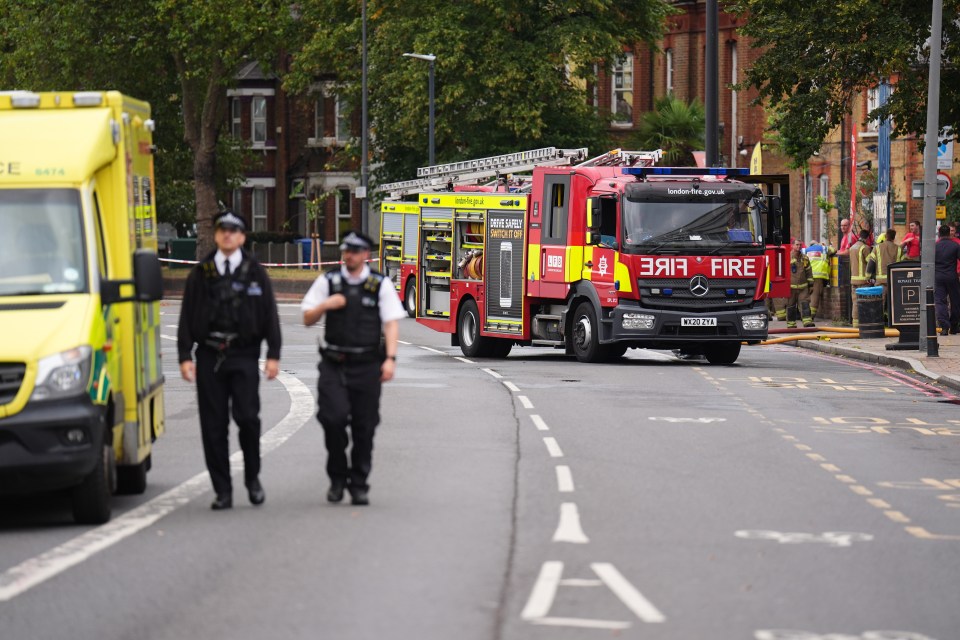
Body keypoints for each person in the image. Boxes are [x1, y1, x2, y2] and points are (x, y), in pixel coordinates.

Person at [178, 211, 282, 510]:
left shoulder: (254, 272)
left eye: (233, 230)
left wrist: (273, 354)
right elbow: (187, 315)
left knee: (248, 419)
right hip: (210, 356)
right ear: (216, 235)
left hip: (244, 355)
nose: (227, 234)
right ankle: (222, 489)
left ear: (242, 237)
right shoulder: (202, 272)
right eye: (222, 230)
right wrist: (185, 355)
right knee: (213, 426)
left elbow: (269, 315)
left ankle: (252, 478)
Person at [301, 231, 406, 506]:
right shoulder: (329, 281)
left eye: (356, 251)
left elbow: (391, 322)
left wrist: (390, 359)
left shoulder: (379, 284)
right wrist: (326, 305)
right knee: (332, 419)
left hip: (367, 365)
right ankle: (337, 478)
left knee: (364, 427)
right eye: (346, 250)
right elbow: (307, 318)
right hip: (334, 363)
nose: (349, 255)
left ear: (365, 255)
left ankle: (358, 483)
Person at [867, 228, 902, 317]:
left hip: (880, 282)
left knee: (879, 303)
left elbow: (871, 263)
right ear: (894, 238)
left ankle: (879, 322)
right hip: (893, 282)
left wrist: (868, 277)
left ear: (886, 236)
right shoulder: (898, 249)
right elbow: (901, 265)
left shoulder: (877, 248)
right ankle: (892, 323)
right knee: (893, 304)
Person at [935, 224, 960, 335]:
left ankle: (944, 328)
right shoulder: (955, 245)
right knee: (955, 302)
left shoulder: (934, 246)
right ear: (949, 233)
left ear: (939, 234)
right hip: (952, 277)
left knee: (940, 302)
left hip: (938, 277)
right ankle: (954, 327)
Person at [804, 237, 835, 322]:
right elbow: (833, 250)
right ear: (817, 243)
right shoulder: (823, 248)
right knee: (815, 296)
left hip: (806, 276)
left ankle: (804, 314)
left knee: (806, 295)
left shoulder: (805, 250)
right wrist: (825, 245)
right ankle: (810, 316)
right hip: (818, 276)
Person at [786, 238, 815, 328]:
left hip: (803, 287)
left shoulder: (805, 258)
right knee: (791, 305)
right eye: (797, 245)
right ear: (792, 246)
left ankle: (807, 322)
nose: (798, 247)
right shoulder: (787, 257)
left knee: (805, 303)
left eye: (800, 245)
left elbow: (809, 272)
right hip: (791, 287)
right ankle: (791, 324)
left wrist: (811, 285)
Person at [848, 229, 871, 327]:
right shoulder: (865, 248)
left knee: (855, 302)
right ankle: (864, 323)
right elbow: (870, 262)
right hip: (863, 280)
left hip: (854, 279)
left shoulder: (852, 248)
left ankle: (855, 324)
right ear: (866, 238)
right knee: (865, 301)